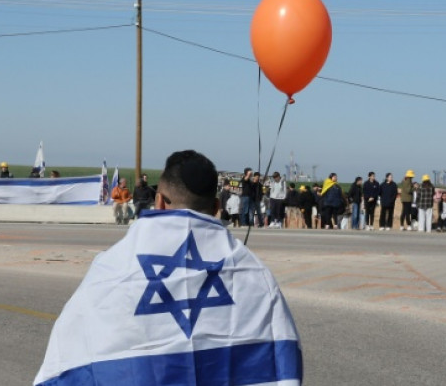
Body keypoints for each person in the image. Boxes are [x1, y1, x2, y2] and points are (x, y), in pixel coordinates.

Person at [33, 149, 302, 386]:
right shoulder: (253, 272)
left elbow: (69, 358)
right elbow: (282, 357)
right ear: (218, 207)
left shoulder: (112, 268)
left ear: (159, 201)